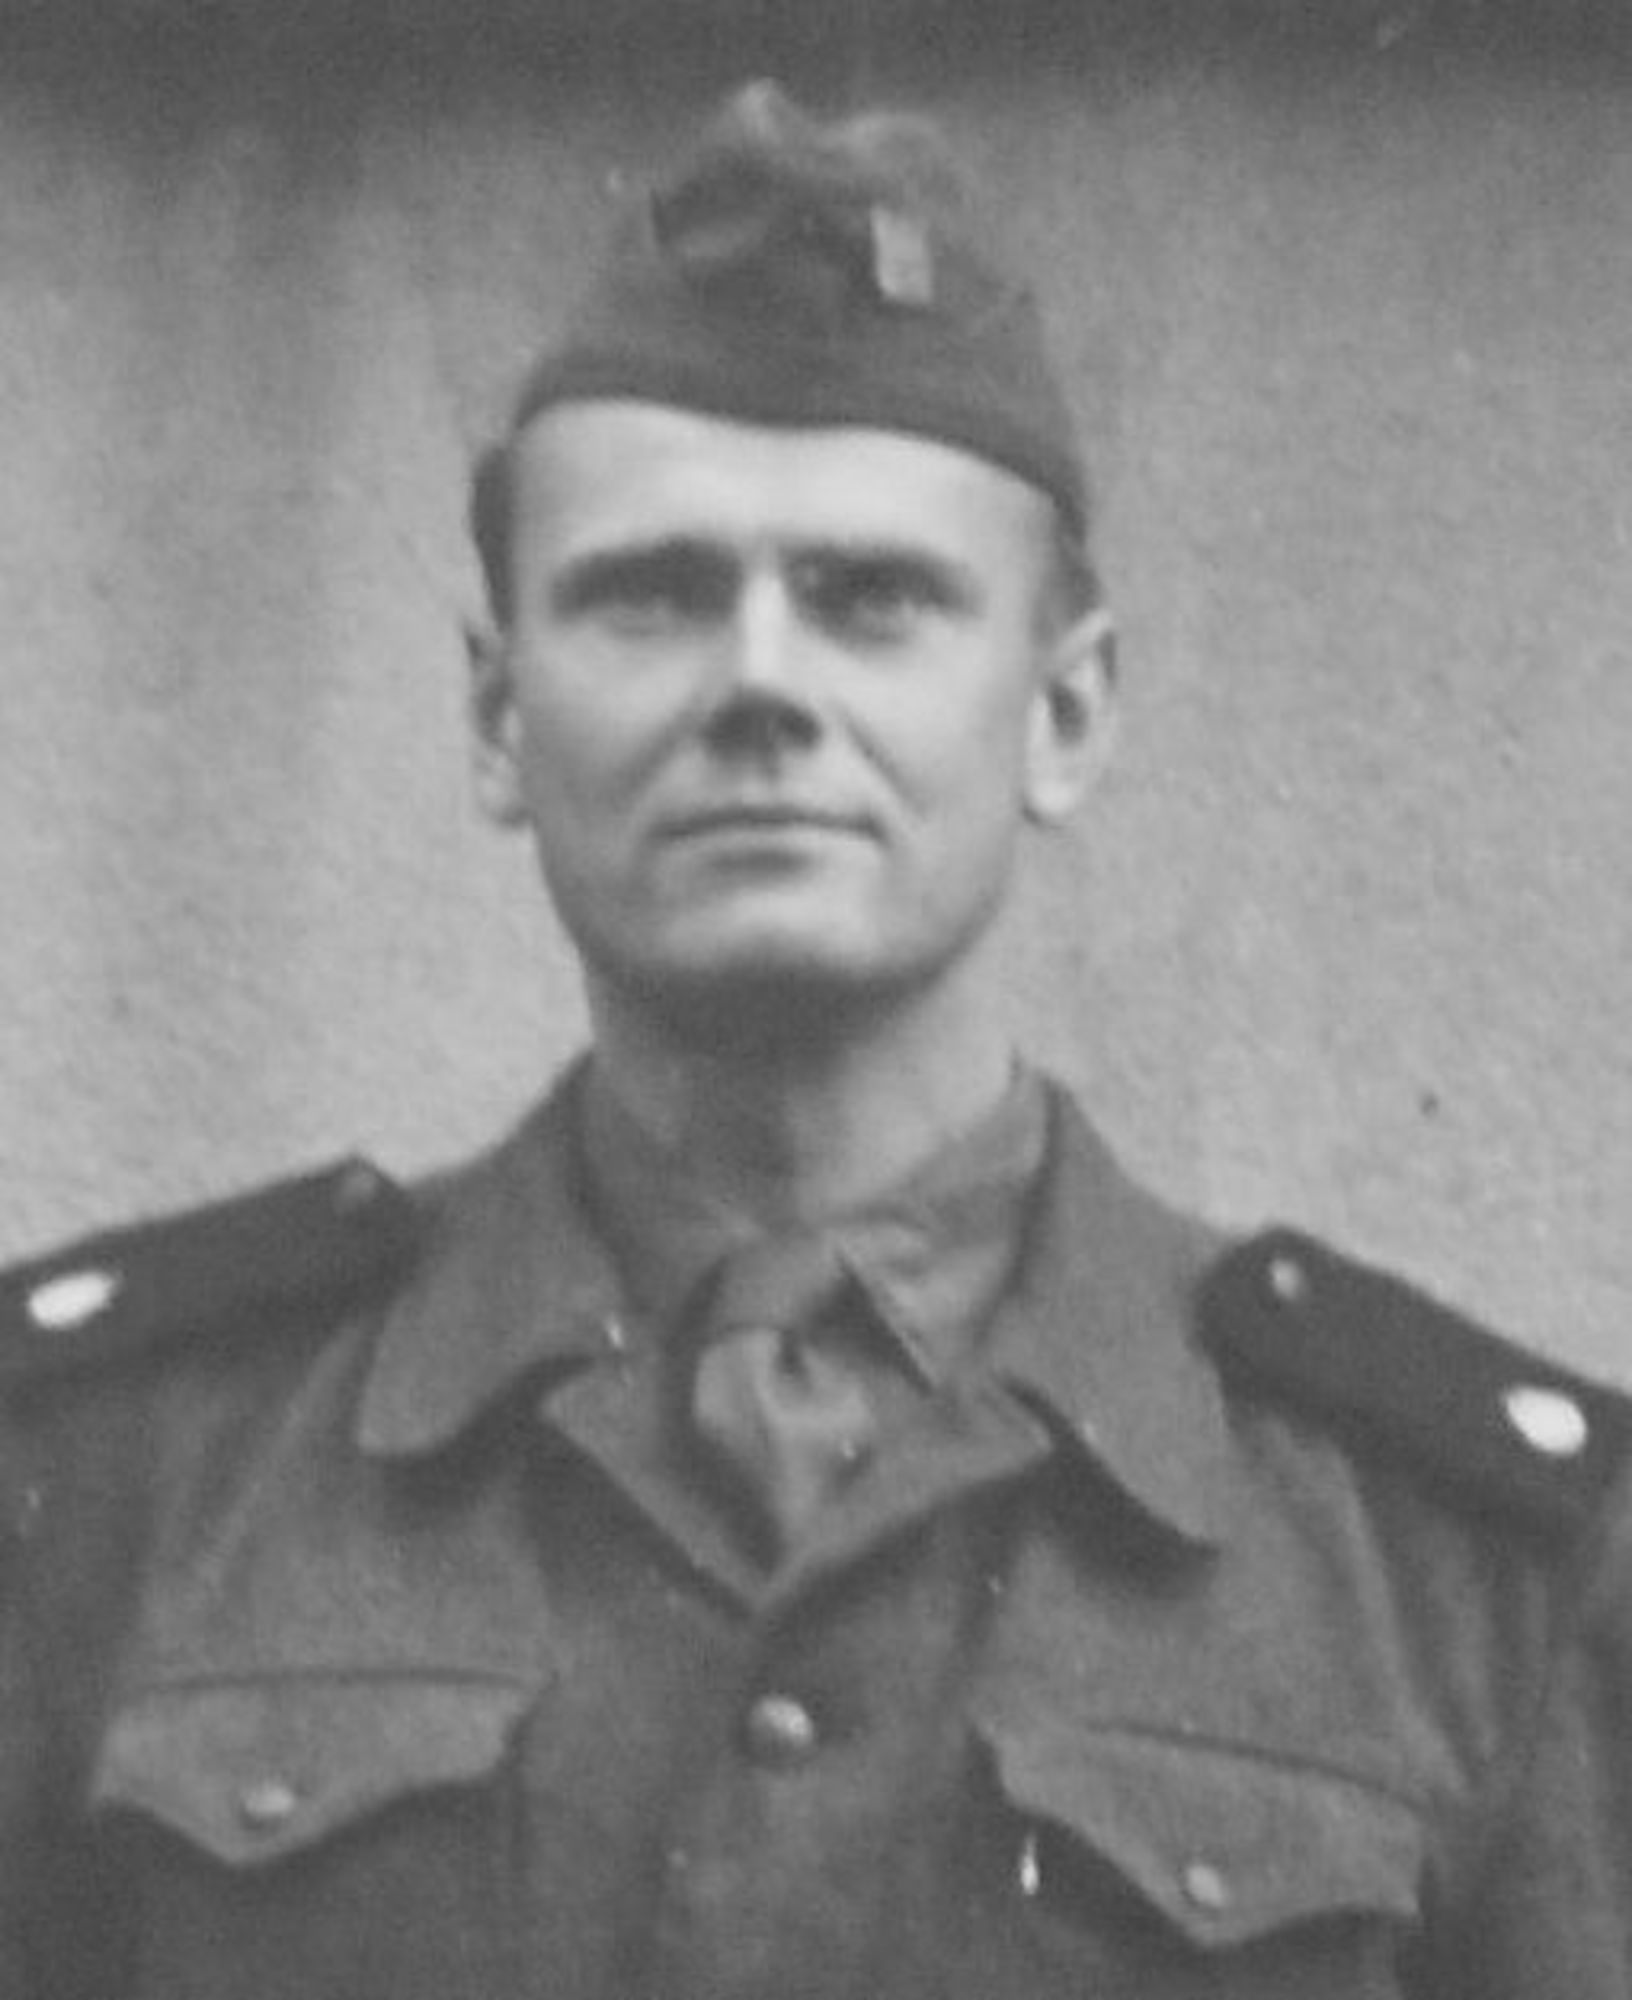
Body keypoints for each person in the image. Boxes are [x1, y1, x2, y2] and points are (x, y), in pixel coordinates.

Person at [1, 80, 1628, 2000]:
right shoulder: (109, 1475)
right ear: (500, 716)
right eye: (652, 594)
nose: (761, 683)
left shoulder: (1461, 1558)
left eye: (874, 600)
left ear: (1065, 714)